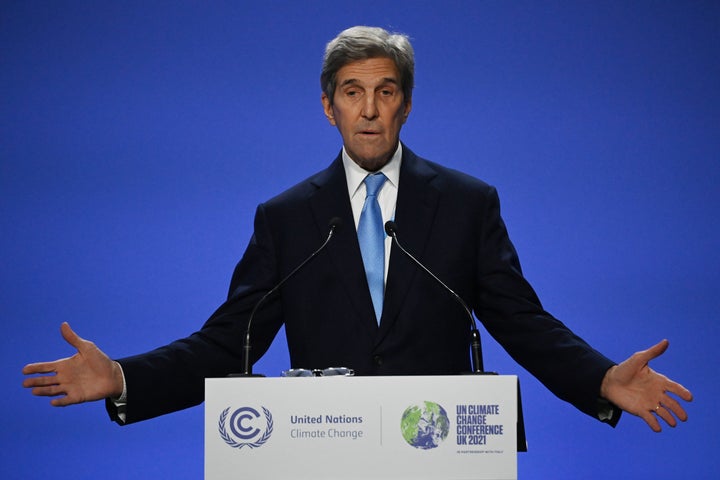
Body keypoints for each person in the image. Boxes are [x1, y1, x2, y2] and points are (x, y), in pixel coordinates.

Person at [23, 26, 692, 433]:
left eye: (386, 91)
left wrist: (601, 379)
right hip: (324, 451)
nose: (368, 110)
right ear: (328, 107)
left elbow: (520, 320)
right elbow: (232, 344)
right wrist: (122, 376)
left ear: (405, 104)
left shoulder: (466, 204)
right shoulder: (287, 219)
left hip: (443, 451)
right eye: (351, 91)